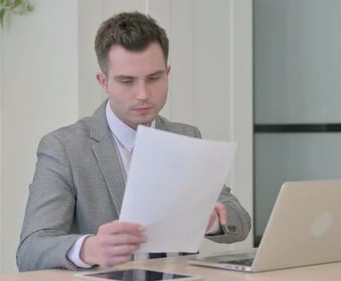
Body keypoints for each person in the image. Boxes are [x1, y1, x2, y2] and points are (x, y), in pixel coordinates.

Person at [16, 11, 251, 272]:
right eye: (127, 81)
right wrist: (89, 248)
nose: (143, 94)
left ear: (168, 73)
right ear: (103, 82)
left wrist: (212, 220)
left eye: (154, 78)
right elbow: (30, 250)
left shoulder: (186, 136)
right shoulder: (64, 148)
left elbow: (239, 221)